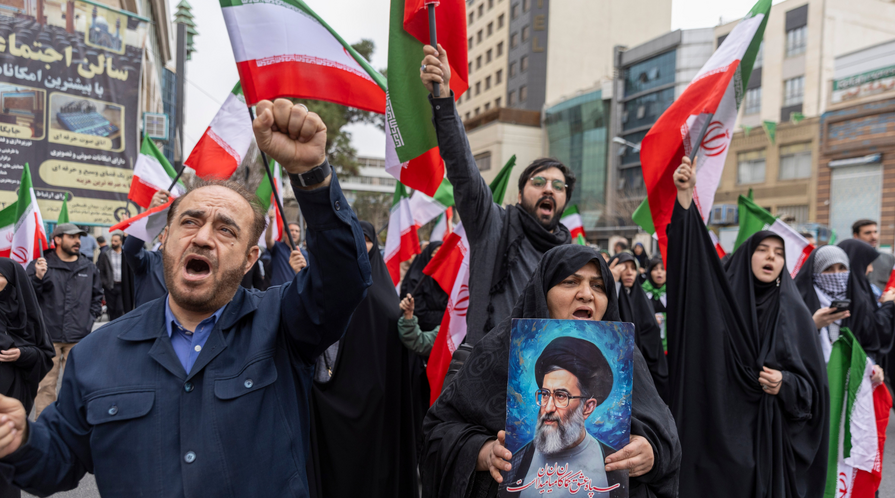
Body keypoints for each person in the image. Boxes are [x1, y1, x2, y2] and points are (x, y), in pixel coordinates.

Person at [0, 99, 371, 497]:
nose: (203, 236)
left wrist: (311, 175)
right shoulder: (96, 354)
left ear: (250, 260)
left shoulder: (282, 323)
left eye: (226, 230)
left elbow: (344, 278)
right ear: (167, 240)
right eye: (190, 221)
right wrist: (22, 441)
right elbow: (56, 465)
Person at [421, 244, 680, 498]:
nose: (586, 294)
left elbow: (665, 438)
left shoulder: (628, 359)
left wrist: (650, 454)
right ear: (543, 291)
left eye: (598, 286)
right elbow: (438, 433)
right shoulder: (498, 351)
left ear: (589, 405)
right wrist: (484, 452)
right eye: (570, 282)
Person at [668, 157, 828, 498]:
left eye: (779, 253)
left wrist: (784, 383)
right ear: (746, 255)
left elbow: (813, 392)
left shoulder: (794, 313)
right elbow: (692, 270)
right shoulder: (720, 303)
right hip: (712, 436)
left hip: (766, 446)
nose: (771, 258)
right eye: (763, 250)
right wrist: (685, 199)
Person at [420, 45, 575, 343]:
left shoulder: (570, 254)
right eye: (539, 181)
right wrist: (442, 101)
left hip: (545, 377)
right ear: (519, 195)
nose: (548, 189)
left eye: (558, 186)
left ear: (565, 200)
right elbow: (463, 171)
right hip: (488, 373)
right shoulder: (493, 225)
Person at [308, 221, 418, 498]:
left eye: (366, 238)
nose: (360, 244)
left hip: (379, 402)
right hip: (340, 397)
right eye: (355, 238)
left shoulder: (384, 290)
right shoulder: (331, 285)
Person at [503, 336, 625, 497]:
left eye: (561, 396)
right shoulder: (516, 461)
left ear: (587, 407)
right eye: (545, 394)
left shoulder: (615, 464)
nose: (548, 407)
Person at [25, 223, 103, 418]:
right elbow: (27, 298)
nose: (78, 241)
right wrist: (37, 278)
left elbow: (97, 296)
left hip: (79, 338)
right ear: (57, 240)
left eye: (79, 237)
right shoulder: (41, 265)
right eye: (72, 237)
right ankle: (44, 428)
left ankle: (70, 428)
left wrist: (88, 319)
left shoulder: (88, 266)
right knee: (45, 386)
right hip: (47, 338)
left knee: (76, 387)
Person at [0, 259, 54, 498]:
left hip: (10, 398)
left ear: (11, 281)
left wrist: (22, 353)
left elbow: (44, 354)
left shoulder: (26, 314)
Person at [610, 253, 668, 404]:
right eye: (624, 267)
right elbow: (610, 318)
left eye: (633, 268)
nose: (629, 272)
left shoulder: (640, 298)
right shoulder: (614, 295)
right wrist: (612, 283)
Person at [122, 190, 169, 308]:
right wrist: (149, 214)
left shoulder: (186, 265)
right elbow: (130, 249)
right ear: (162, 237)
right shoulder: (149, 261)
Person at [400, 240, 448, 332]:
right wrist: (449, 317)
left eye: (442, 252)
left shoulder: (450, 278)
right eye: (435, 253)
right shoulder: (416, 280)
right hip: (421, 336)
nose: (438, 256)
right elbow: (420, 315)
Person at [96, 232, 134, 320]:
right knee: (111, 309)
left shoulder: (125, 254)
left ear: (121, 242)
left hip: (122, 286)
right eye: (112, 240)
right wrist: (105, 283)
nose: (113, 242)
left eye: (116, 241)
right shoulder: (105, 254)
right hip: (110, 286)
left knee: (120, 309)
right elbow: (101, 270)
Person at [266, 215, 308, 287]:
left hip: (295, 289)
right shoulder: (277, 247)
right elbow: (268, 240)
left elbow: (306, 273)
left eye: (297, 231)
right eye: (291, 230)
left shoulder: (303, 253)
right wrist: (271, 221)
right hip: (279, 291)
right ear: (285, 233)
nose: (294, 233)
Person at [853, 219, 895, 292]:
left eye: (875, 232)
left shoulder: (889, 258)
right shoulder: (849, 258)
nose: (873, 237)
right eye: (867, 233)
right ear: (856, 235)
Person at [641, 257, 667, 352]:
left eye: (662, 269)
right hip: (649, 341)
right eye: (655, 269)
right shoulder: (642, 291)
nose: (659, 272)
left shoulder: (673, 292)